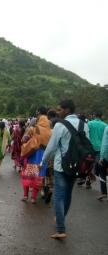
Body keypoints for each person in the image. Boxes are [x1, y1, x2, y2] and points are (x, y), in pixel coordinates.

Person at [41, 100, 90, 239]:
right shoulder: (84, 125)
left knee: (59, 196)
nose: (58, 112)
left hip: (61, 166)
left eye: (60, 109)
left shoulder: (60, 125)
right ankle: (60, 219)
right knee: (68, 194)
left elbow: (51, 147)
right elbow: (86, 145)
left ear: (67, 110)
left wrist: (43, 162)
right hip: (77, 166)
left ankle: (61, 229)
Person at [20, 108, 52, 204]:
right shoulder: (51, 132)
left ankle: (26, 196)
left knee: (27, 177)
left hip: (32, 156)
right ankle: (33, 198)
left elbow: (24, 140)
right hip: (43, 158)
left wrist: (28, 140)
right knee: (38, 178)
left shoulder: (34, 129)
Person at [86, 111, 107, 195]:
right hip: (100, 149)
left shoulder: (89, 124)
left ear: (94, 115)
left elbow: (86, 134)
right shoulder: (105, 125)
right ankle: (101, 185)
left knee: (89, 164)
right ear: (101, 116)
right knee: (100, 166)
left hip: (90, 147)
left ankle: (88, 180)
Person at [97, 125, 108, 201]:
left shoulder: (107, 128)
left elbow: (105, 144)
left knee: (102, 173)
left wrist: (101, 157)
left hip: (106, 156)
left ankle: (104, 192)